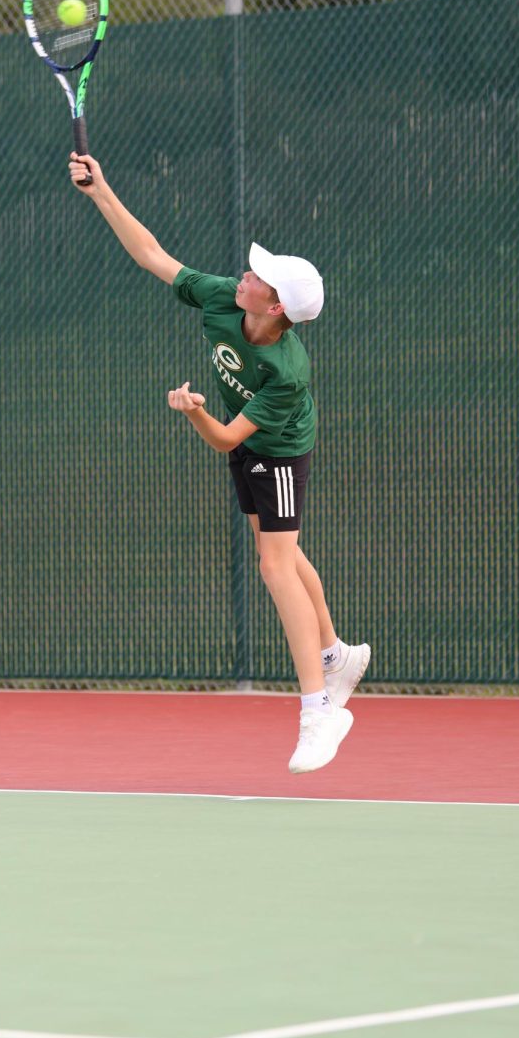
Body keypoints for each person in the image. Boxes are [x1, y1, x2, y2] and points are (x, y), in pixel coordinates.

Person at [68, 151, 370, 773]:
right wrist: (102, 192)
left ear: (275, 307)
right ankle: (338, 655)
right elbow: (153, 255)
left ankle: (320, 710)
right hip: (246, 441)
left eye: (258, 277)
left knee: (273, 565)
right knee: (283, 551)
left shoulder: (287, 371)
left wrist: (192, 411)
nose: (244, 274)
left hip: (278, 449)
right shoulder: (224, 301)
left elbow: (230, 439)